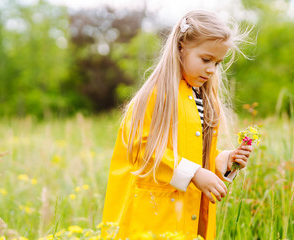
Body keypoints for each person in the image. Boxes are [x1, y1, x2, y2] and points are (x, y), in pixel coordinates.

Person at [101, 10, 253, 239]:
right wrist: (194, 174)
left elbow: (194, 155)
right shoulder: (155, 96)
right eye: (205, 59)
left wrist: (225, 161)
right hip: (152, 218)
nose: (211, 69)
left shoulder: (205, 100)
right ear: (181, 48)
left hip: (187, 216)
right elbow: (143, 151)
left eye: (217, 63)